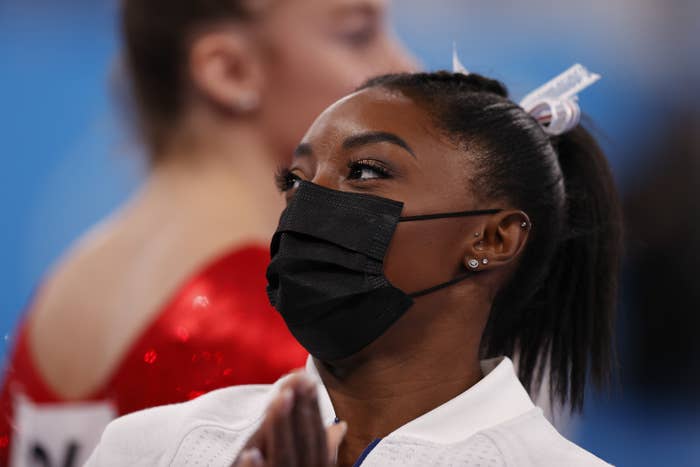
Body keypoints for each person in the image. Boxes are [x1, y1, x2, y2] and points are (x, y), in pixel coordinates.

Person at [86, 68, 622, 466]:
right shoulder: (150, 447)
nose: (309, 203)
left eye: (365, 171)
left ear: (492, 238)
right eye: (295, 180)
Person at [0, 0, 415, 465]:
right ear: (229, 70)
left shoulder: (65, 288)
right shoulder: (287, 322)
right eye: (358, 34)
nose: (404, 66)